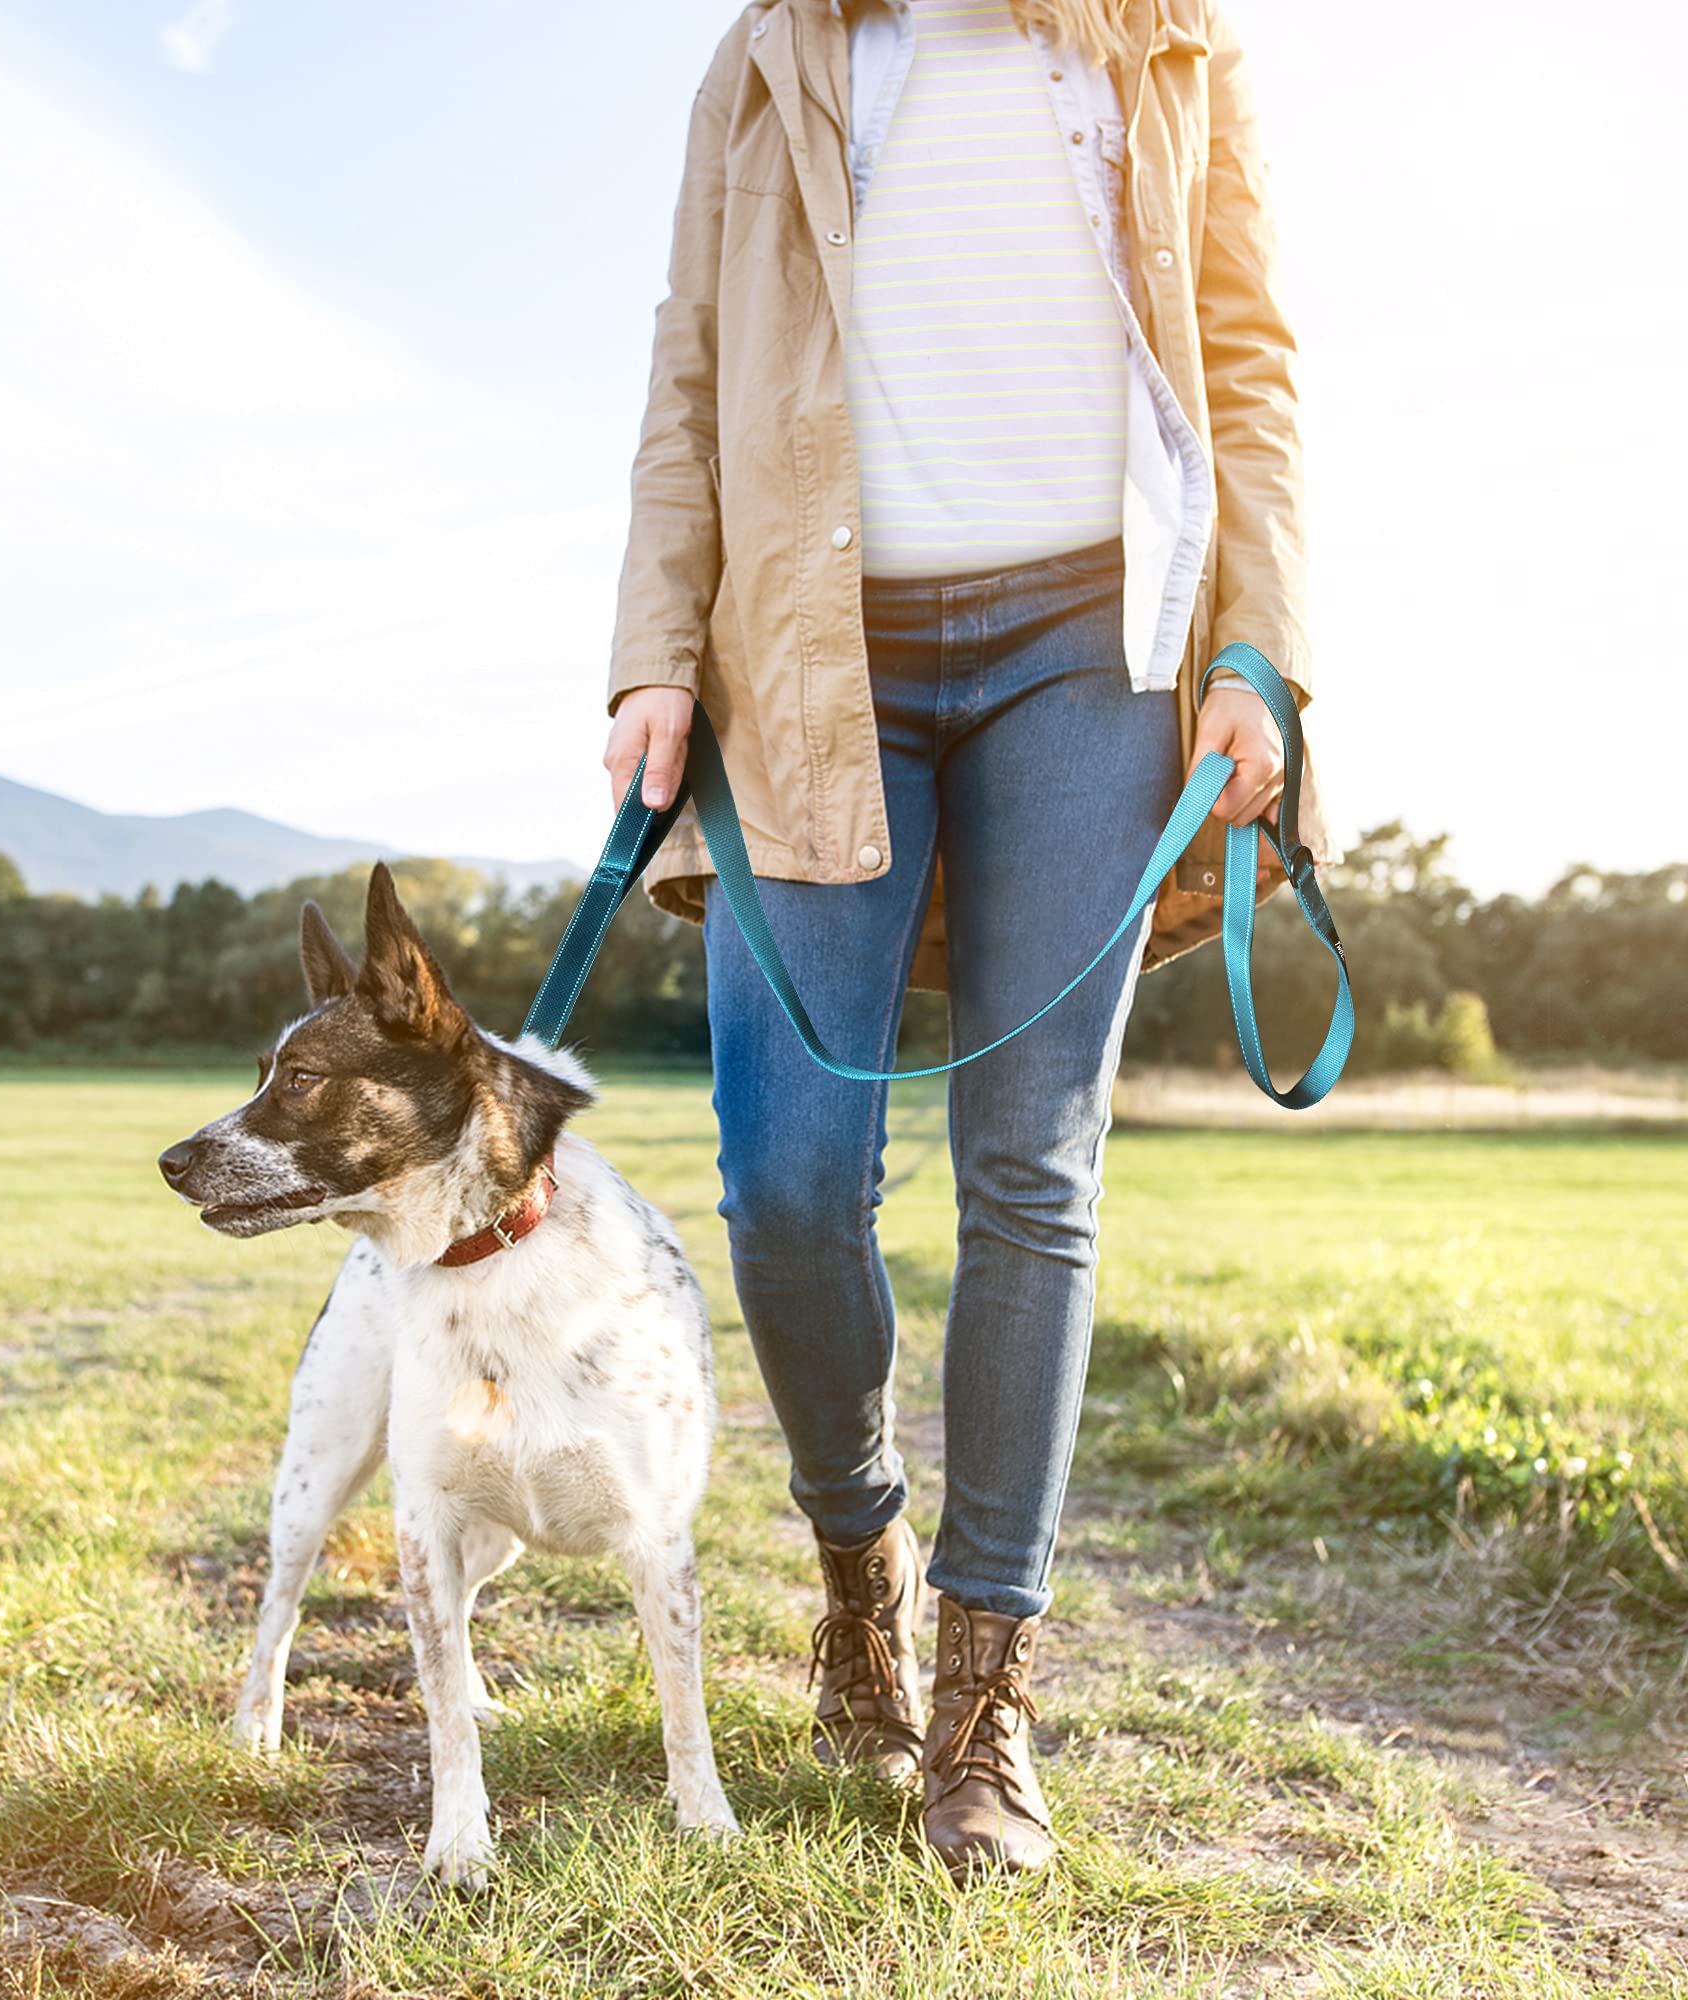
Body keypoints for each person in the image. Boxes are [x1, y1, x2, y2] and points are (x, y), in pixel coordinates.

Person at [601, 0, 1335, 1881]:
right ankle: (861, 1560)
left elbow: (1247, 360)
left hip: (1093, 647)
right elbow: (690, 371)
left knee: (1033, 1165)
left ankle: (984, 1691)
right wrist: (652, 655)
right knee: (784, 1178)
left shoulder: (1166, 40)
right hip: (809, 642)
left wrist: (1258, 644)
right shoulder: (771, 52)